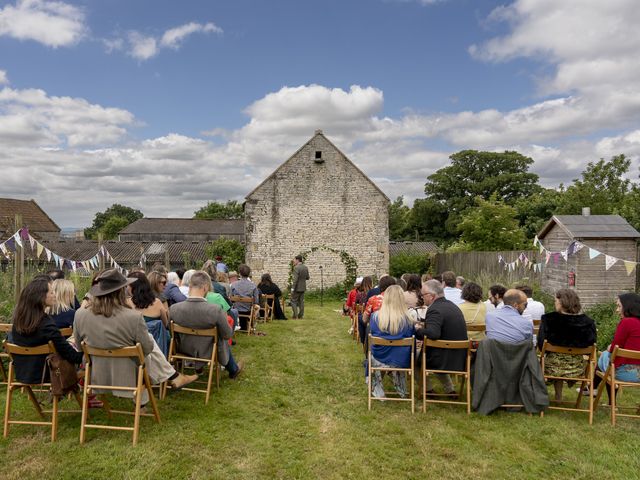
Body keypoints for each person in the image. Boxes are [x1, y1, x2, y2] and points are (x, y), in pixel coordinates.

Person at [74, 269, 197, 402]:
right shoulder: (133, 317)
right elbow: (147, 349)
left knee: (142, 348)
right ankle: (171, 377)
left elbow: (80, 348)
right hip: (127, 373)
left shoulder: (80, 314)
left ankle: (172, 377)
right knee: (145, 349)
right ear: (120, 291)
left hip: (95, 370)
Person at [8, 277, 84, 385]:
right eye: (51, 292)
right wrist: (88, 355)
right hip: (49, 374)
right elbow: (70, 355)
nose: (55, 295)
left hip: (23, 374)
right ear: (40, 296)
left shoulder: (18, 322)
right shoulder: (47, 325)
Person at [170, 271, 243, 379]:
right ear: (205, 288)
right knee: (221, 336)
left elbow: (170, 331)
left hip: (182, 349)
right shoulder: (215, 310)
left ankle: (199, 368)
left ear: (190, 286)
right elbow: (227, 334)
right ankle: (233, 369)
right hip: (208, 351)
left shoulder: (174, 309)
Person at [537, 288, 596, 401]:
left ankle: (556, 395)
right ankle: (558, 395)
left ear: (561, 302)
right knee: (561, 357)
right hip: (577, 369)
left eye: (555, 300)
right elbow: (591, 343)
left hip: (552, 368)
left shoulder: (548, 319)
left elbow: (541, 344)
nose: (555, 303)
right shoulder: (588, 322)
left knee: (553, 358)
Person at [414, 279, 468, 394]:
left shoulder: (434, 310)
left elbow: (433, 334)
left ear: (432, 296)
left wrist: (418, 331)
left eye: (423, 295)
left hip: (442, 359)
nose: (421, 298)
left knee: (412, 356)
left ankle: (428, 390)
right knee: (436, 350)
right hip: (460, 358)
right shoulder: (453, 307)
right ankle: (450, 389)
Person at [368, 285, 416, 398]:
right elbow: (412, 336)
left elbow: (374, 334)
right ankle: (400, 386)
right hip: (402, 360)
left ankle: (377, 387)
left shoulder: (375, 317)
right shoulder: (408, 320)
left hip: (379, 358)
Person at [593, 293, 640, 401]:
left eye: (619, 306)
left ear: (627, 306)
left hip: (625, 374)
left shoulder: (626, 322)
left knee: (606, 356)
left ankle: (593, 389)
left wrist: (610, 348)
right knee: (610, 360)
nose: (617, 310)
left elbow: (615, 347)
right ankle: (593, 389)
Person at [127, 271, 170, 357]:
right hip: (157, 345)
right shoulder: (158, 303)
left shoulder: (127, 303)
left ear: (132, 287)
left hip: (135, 345)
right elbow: (166, 324)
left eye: (127, 285)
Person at [231, 264, 260, 330]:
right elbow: (256, 301)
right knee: (256, 307)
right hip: (248, 310)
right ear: (249, 274)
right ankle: (251, 325)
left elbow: (231, 299)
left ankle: (240, 325)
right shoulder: (253, 285)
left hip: (236, 309)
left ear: (240, 273)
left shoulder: (234, 284)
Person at [291, 255, 309, 319]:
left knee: (293, 301)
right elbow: (307, 277)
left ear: (298, 260)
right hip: (303, 287)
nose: (294, 261)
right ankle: (300, 316)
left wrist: (292, 288)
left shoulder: (296, 267)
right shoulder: (305, 267)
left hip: (297, 288)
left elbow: (295, 279)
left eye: (294, 260)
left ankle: (295, 316)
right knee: (301, 302)